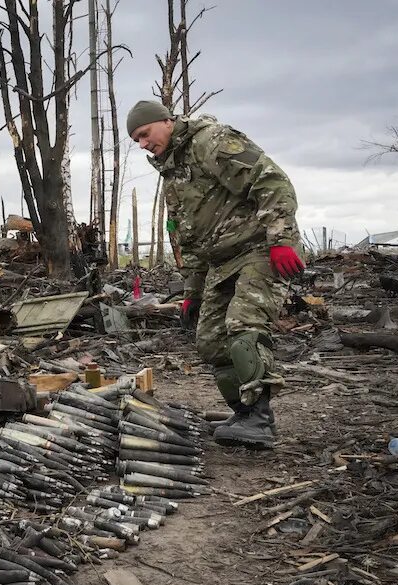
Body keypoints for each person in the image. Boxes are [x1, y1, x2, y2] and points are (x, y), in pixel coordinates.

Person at [125, 98, 303, 449]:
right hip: (220, 262)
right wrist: (192, 291)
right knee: (209, 340)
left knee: (243, 327)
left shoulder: (211, 141)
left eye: (145, 134)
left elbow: (271, 181)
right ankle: (243, 412)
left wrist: (281, 240)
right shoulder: (173, 174)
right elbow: (190, 239)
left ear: (166, 121)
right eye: (137, 141)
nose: (144, 144)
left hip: (258, 249)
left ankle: (260, 421)